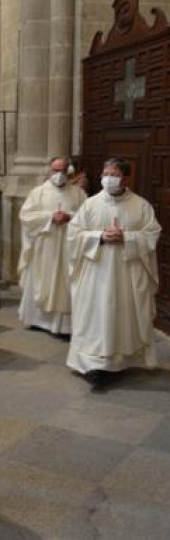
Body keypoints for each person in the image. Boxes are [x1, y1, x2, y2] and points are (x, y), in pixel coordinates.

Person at [67, 157, 161, 387]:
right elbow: (73, 235)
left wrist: (127, 237)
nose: (108, 179)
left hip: (126, 275)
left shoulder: (141, 205)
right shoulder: (90, 204)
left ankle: (122, 360)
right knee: (95, 316)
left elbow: (151, 235)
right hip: (95, 274)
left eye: (115, 174)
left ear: (126, 178)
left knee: (122, 314)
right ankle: (92, 365)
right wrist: (98, 236)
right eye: (106, 173)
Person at [18, 157, 86, 336]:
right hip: (45, 245)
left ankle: (62, 325)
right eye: (56, 171)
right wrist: (50, 217)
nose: (59, 175)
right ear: (50, 171)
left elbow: (87, 216)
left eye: (63, 171)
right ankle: (36, 320)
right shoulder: (38, 192)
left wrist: (70, 217)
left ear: (69, 171)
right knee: (41, 279)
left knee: (65, 281)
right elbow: (26, 216)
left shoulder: (78, 193)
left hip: (68, 246)